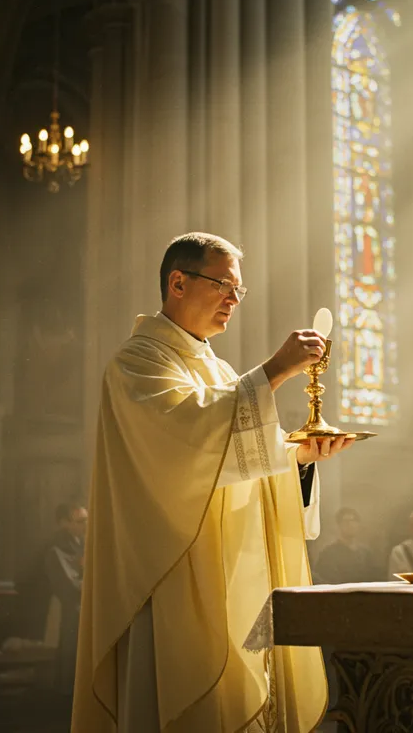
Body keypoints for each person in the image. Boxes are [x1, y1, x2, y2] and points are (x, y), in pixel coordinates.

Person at [71, 232, 354, 733]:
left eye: (238, 290)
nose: (233, 300)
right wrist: (274, 370)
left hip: (229, 580)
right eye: (223, 284)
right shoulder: (137, 363)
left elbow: (234, 463)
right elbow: (185, 442)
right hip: (168, 580)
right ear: (177, 282)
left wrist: (299, 459)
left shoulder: (219, 370)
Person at [44, 502, 87, 697]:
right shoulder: (57, 549)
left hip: (83, 604)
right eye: (80, 521)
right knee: (71, 655)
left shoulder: (84, 543)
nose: (85, 526)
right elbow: (69, 585)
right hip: (71, 608)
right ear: (64, 523)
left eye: (87, 521)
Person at [314, 508, 382, 584]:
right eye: (346, 521)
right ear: (339, 525)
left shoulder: (366, 554)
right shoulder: (328, 554)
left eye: (354, 520)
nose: (350, 524)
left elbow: (374, 578)